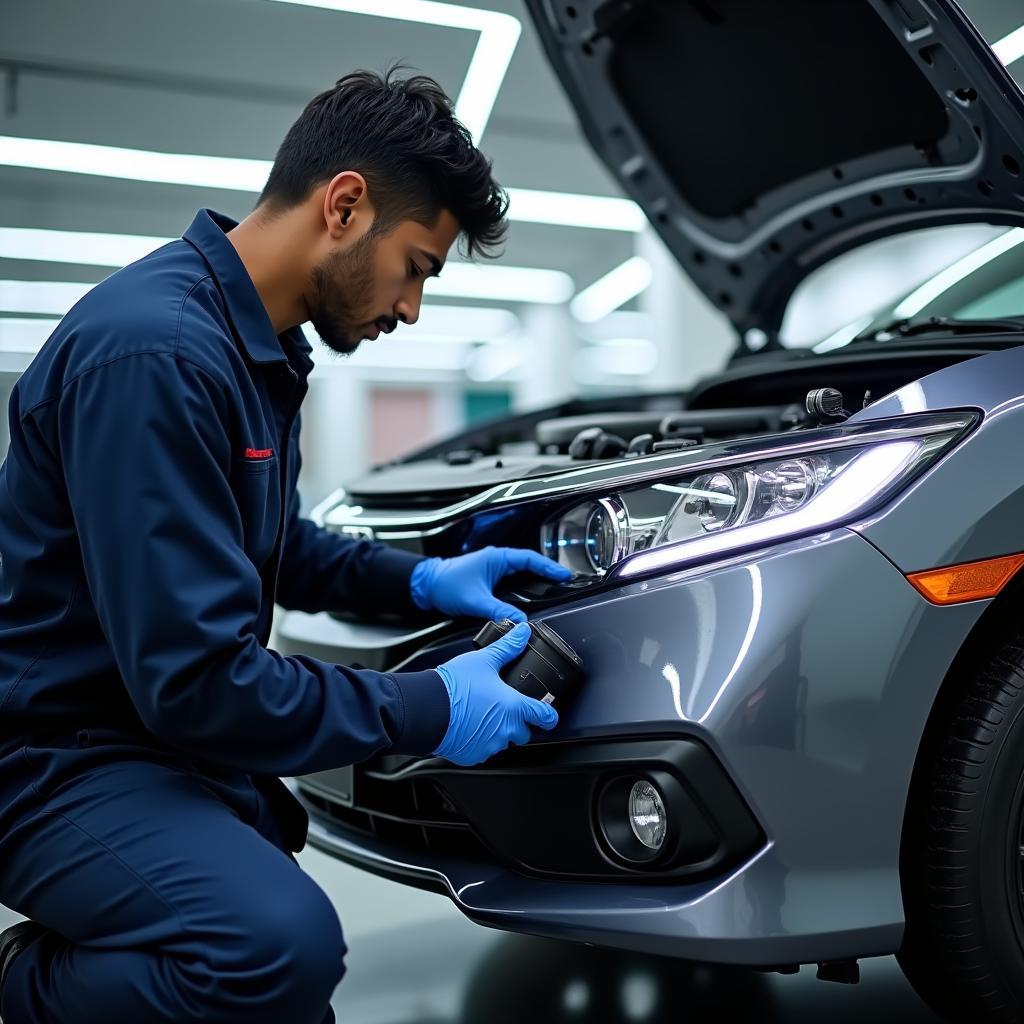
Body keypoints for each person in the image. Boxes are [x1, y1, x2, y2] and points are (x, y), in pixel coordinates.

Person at [0, 67, 572, 1023]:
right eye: (419, 268)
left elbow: (277, 546)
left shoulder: (251, 347)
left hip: (147, 740)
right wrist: (426, 706)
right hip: (57, 758)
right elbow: (198, 682)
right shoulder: (160, 355)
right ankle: (21, 990)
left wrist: (427, 580)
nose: (412, 308)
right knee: (269, 950)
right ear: (345, 205)